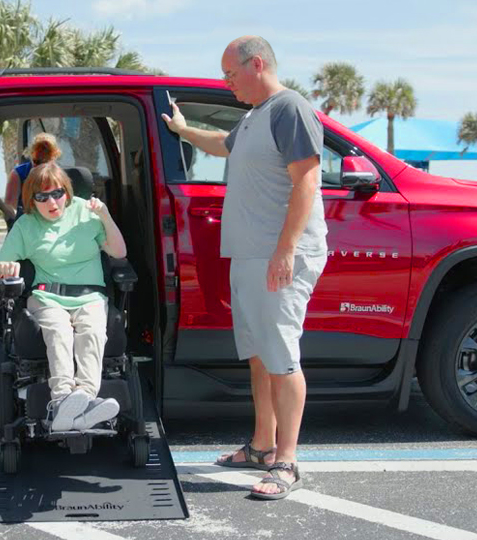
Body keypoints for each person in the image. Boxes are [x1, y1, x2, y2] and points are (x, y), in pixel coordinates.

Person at [161, 36, 327, 500]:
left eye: (230, 74)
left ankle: (287, 463)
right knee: (258, 355)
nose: (226, 82)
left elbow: (307, 179)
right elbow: (224, 144)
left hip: (278, 256)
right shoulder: (255, 116)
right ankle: (261, 446)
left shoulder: (289, 108)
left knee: (280, 355)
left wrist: (286, 249)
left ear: (257, 64)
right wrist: (183, 129)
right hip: (250, 254)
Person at [0, 162, 129, 432]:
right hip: (47, 297)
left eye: (58, 193)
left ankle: (84, 399)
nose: (52, 201)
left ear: (68, 192)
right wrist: (3, 268)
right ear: (32, 199)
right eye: (42, 196)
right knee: (60, 333)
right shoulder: (26, 225)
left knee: (92, 331)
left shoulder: (87, 214)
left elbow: (119, 252)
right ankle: (62, 400)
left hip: (90, 297)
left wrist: (106, 216)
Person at [3, 132, 62, 224]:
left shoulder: (59, 174)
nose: (40, 169)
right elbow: (10, 209)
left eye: (45, 162)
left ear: (54, 157)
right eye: (37, 162)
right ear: (31, 154)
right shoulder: (19, 173)